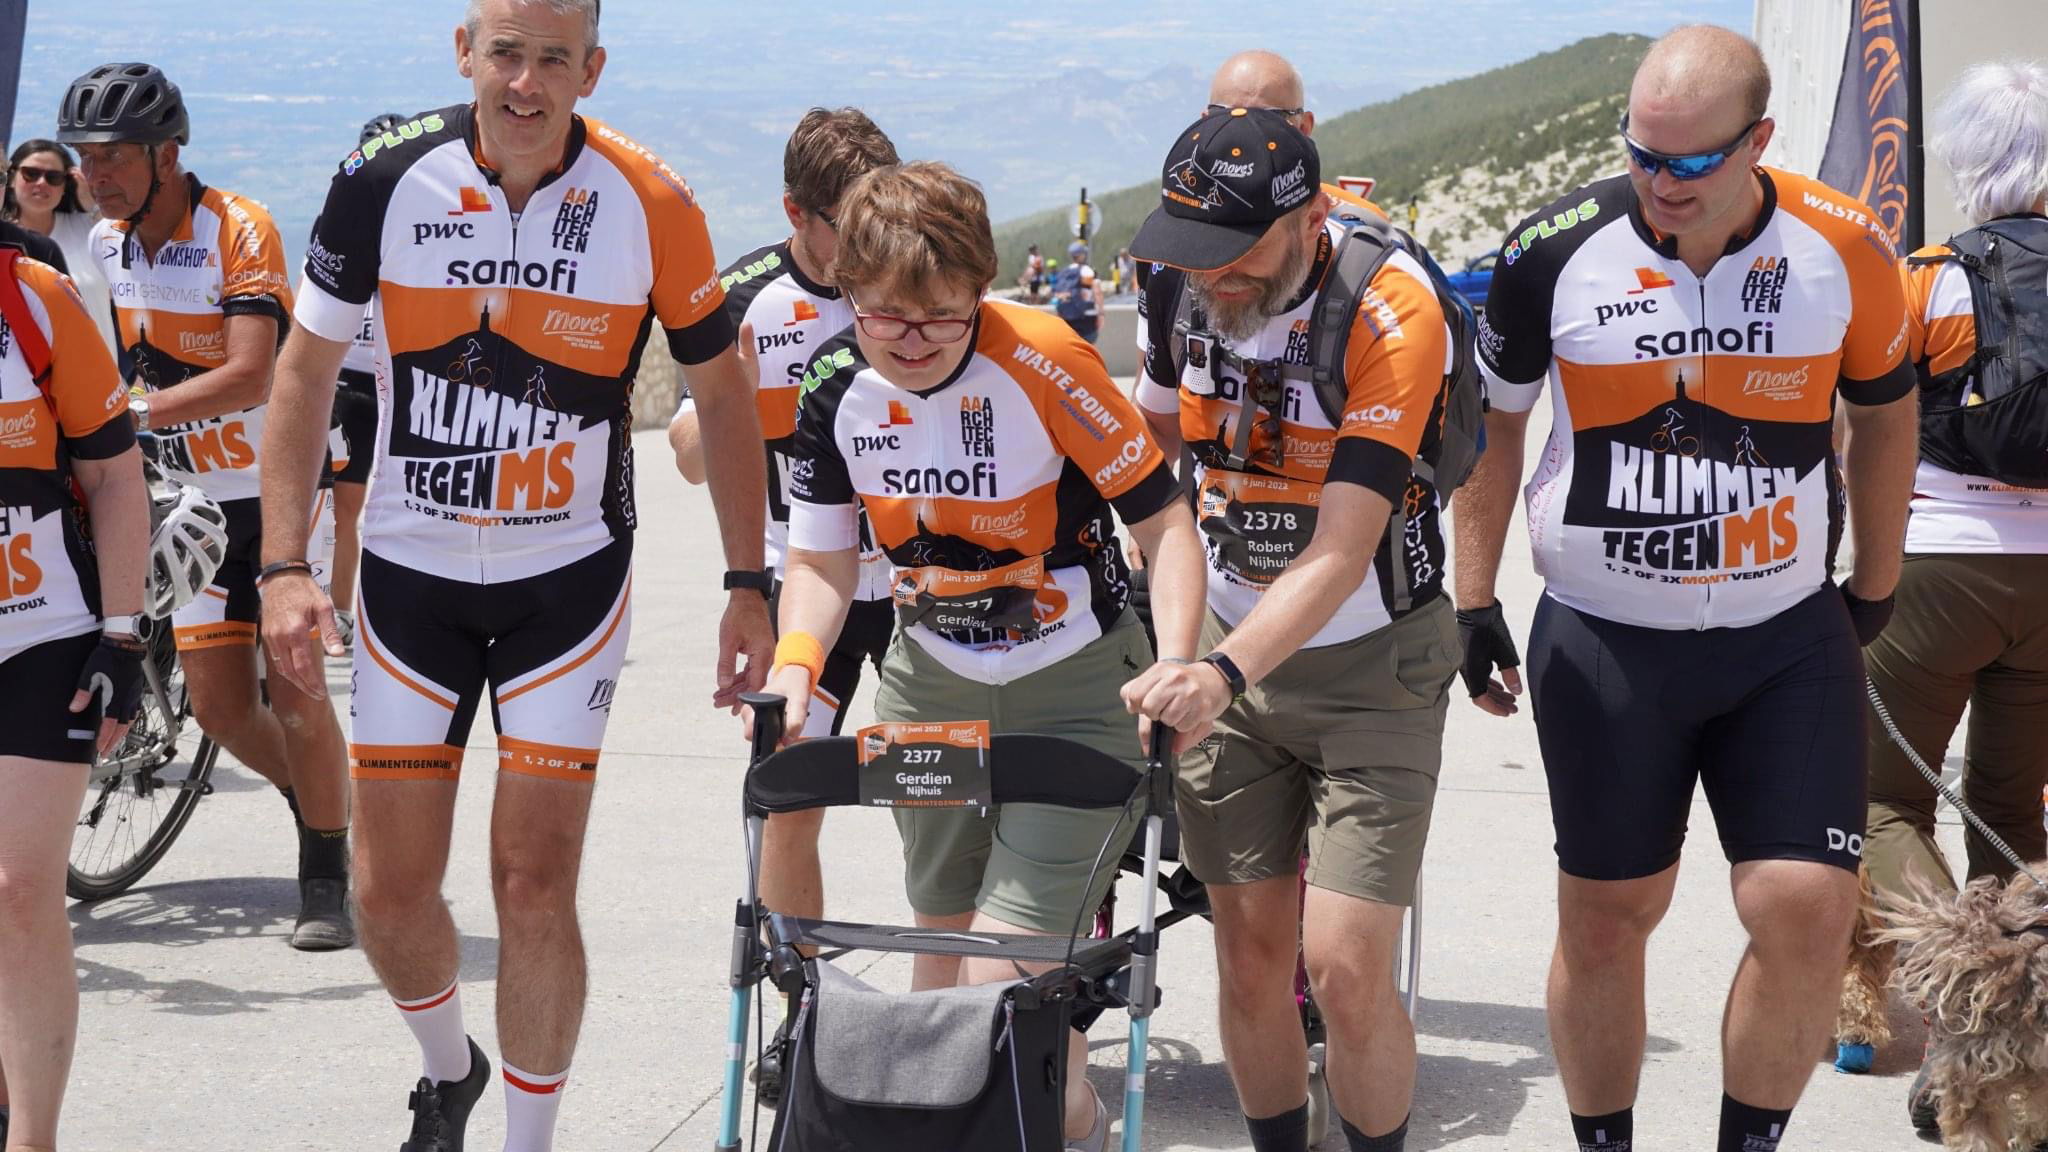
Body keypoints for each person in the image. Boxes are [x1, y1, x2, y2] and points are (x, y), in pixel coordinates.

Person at [256, 1, 771, 1148]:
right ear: (463, 54)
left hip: (566, 584)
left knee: (532, 882)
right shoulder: (386, 176)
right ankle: (450, 1069)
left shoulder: (652, 201)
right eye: (505, 55)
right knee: (388, 896)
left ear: (591, 68)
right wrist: (284, 565)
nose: (525, 85)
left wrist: (751, 581)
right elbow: (301, 374)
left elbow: (723, 395)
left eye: (552, 60)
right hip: (407, 575)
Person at [1453, 26, 1918, 1152]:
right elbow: (1491, 429)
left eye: (1685, 164)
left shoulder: (1844, 245)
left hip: (1779, 627)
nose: (1653, 184)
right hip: (1609, 634)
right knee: (1609, 918)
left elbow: (1886, 417)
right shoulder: (1550, 247)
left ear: (1756, 142)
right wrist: (1473, 599)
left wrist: (1877, 582)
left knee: (1801, 909)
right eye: (1637, 155)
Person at [762, 160, 1206, 1151]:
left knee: (997, 992)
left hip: (1077, 686)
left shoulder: (1043, 358)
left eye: (941, 320)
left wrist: (1177, 662)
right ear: (847, 291)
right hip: (929, 693)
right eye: (884, 319)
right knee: (938, 967)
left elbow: (1166, 527)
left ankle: (1058, 1123)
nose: (913, 344)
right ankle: (1046, 1122)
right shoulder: (836, 383)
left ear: (981, 289)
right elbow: (823, 557)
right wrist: (796, 665)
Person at [1121, 108, 1457, 1152]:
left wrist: (1217, 670)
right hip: (1222, 649)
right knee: (1248, 957)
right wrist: (1178, 648)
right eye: (1192, 252)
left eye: (1234, 253)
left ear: (1309, 218)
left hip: (1371, 668)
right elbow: (1159, 479)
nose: (1210, 275)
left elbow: (1344, 542)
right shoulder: (1178, 290)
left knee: (1345, 966)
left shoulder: (1387, 307)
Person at [59, 61, 357, 952]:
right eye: (83, 159)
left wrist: (130, 414)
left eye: (113, 157)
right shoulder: (110, 245)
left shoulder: (237, 226)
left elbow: (253, 370)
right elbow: (126, 361)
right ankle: (325, 801)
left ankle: (326, 873)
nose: (94, 177)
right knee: (226, 711)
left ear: (167, 154)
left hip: (274, 495)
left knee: (299, 697)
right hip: (188, 500)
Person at [665, 104, 900, 1101]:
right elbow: (686, 449)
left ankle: (977, 1003)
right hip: (804, 575)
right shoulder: (748, 299)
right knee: (791, 801)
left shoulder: (905, 266)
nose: (865, 249)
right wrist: (718, 411)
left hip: (922, 578)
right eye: (846, 227)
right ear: (795, 217)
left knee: (953, 792)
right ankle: (808, 1013)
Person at [1861, 60, 2048, 1138]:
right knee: (2014, 815)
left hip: (1933, 560)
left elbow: (1864, 426)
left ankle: (1961, 997)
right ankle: (2022, 1038)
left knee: (1875, 798)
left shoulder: (1924, 275)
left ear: (1966, 163)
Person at [0, 241, 150, 1152]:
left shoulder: (35, 300)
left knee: (19, 888)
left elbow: (111, 474)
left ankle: (36, 1139)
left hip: (40, 628)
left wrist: (122, 634)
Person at [320, 113, 408, 649]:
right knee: (342, 507)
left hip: (401, 382)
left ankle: (379, 609)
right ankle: (338, 608)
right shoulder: (348, 221)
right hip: (349, 385)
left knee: (397, 503)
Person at [3, 139, 116, 353]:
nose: (41, 183)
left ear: (66, 186)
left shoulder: (92, 229)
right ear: (11, 178)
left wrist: (92, 205)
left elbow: (129, 249)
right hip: (26, 382)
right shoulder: (3, 244)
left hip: (99, 377)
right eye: (31, 174)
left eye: (54, 177)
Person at [1054, 239, 1103, 343]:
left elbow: (1058, 294)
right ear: (1082, 255)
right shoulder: (1087, 270)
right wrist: (1101, 314)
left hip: (1068, 317)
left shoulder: (1064, 272)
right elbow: (1097, 292)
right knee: (1088, 349)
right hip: (1086, 317)